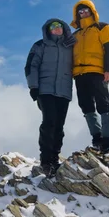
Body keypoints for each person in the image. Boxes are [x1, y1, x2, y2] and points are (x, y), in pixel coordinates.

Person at [25, 18, 76, 176]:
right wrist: (33, 87)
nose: (56, 28)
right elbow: (31, 66)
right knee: (49, 122)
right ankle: (46, 160)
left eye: (59, 26)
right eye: (53, 26)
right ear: (48, 30)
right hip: (45, 91)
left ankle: (54, 158)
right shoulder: (40, 45)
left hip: (64, 91)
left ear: (64, 28)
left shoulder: (70, 47)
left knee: (59, 125)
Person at [70, 0, 109, 155]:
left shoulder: (103, 28)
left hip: (98, 71)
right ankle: (97, 140)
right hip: (79, 74)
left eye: (86, 10)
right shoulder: (75, 34)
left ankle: (108, 141)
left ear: (92, 11)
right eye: (80, 11)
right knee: (86, 105)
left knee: (103, 104)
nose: (83, 13)